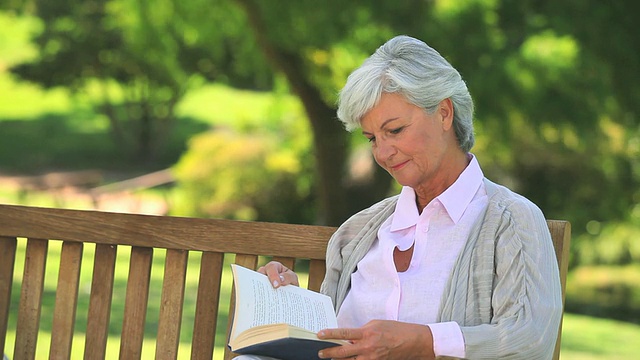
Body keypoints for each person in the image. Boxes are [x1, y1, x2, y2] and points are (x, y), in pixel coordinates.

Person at [235, 35, 562, 359]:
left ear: (444, 113)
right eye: (371, 138)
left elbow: (530, 341)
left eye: (394, 130)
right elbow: (331, 341)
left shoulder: (510, 220)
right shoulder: (356, 232)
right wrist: (290, 304)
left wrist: (424, 342)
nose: (383, 152)